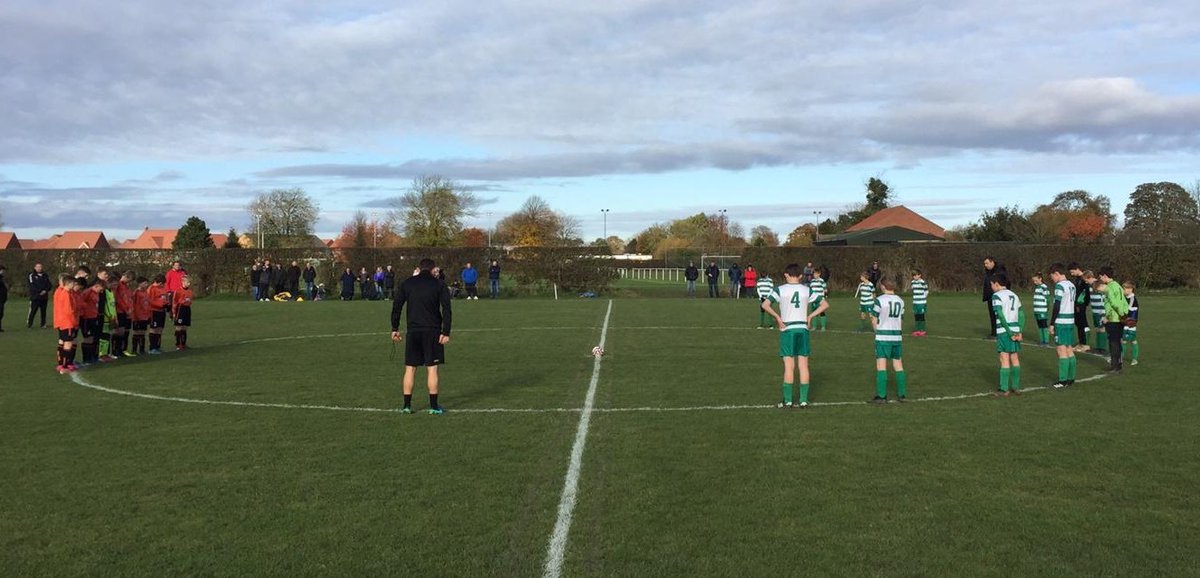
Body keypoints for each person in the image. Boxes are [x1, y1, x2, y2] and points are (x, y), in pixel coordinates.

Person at [762, 263, 829, 408]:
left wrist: (778, 318)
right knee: (804, 365)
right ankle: (803, 400)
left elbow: (765, 305)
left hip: (788, 329)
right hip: (802, 328)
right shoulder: (807, 289)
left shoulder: (780, 289)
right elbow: (824, 304)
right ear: (800, 276)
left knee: (789, 366)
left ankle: (788, 401)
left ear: (786, 275)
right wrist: (810, 316)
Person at [391, 258, 453, 415]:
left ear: (419, 268)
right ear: (433, 270)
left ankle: (406, 406)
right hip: (432, 331)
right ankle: (433, 407)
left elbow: (397, 306)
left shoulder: (408, 283)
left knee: (410, 369)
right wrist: (446, 332)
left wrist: (395, 328)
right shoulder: (439, 284)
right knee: (432, 369)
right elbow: (446, 309)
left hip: (413, 331)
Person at [870, 279, 907, 404]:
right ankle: (902, 395)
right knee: (898, 365)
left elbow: (874, 320)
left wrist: (876, 331)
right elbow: (901, 321)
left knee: (881, 366)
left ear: (883, 286)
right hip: (897, 337)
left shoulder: (879, 300)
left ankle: (882, 396)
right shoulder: (901, 301)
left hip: (883, 337)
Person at [990, 273, 1024, 397]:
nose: (991, 287)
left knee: (1004, 358)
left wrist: (1009, 332)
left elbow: (1000, 314)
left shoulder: (996, 296)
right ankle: (1016, 387)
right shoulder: (1014, 294)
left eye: (992, 285)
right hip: (1015, 329)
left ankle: (1004, 389)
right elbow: (1021, 314)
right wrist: (1019, 331)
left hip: (1005, 331)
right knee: (1014, 358)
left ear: (996, 284)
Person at [1049, 264, 1078, 388]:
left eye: (1052, 277)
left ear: (1057, 273)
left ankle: (1062, 380)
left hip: (1061, 321)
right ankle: (1071, 378)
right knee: (1069, 348)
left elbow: (1057, 305)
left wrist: (1051, 323)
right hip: (1070, 320)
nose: (1052, 280)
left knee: (1061, 350)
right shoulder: (1072, 285)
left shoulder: (1060, 286)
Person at [1098, 267, 1129, 372]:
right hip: (1119, 318)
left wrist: (1119, 315)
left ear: (1105, 276)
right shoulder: (1118, 286)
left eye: (1101, 277)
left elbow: (1114, 303)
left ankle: (1115, 366)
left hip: (1114, 319)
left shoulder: (1110, 287)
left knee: (1114, 343)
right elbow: (1123, 301)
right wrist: (1124, 313)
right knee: (1117, 342)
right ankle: (1118, 364)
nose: (1100, 279)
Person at [53, 274, 80, 373]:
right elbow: (69, 310)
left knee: (64, 342)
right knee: (68, 343)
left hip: (63, 321)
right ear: (68, 283)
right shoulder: (66, 294)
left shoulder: (63, 292)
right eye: (73, 283)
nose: (74, 285)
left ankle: (62, 364)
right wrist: (74, 322)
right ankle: (64, 366)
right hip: (67, 322)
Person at [77, 277, 102, 365]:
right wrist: (86, 307)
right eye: (100, 287)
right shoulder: (87, 292)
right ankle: (86, 359)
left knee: (92, 338)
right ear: (96, 286)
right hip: (86, 318)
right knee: (87, 338)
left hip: (93, 317)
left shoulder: (96, 293)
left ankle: (91, 357)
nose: (101, 290)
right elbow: (80, 301)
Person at [1083, 271, 1107, 355]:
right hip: (1095, 311)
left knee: (1102, 329)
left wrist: (1105, 312)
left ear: (1090, 277)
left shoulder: (1099, 284)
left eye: (1086, 280)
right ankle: (1098, 347)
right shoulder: (1090, 286)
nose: (1085, 282)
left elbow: (1105, 297)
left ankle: (1103, 348)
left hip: (1101, 311)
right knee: (1097, 329)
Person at [1068, 263, 1089, 351]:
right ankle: (1081, 343)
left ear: (1077, 269)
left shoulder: (1084, 278)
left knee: (1082, 324)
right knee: (1078, 324)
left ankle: (1084, 344)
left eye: (1072, 272)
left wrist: (1083, 304)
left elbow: (1086, 293)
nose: (1071, 274)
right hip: (1076, 304)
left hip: (1081, 305)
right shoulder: (1077, 279)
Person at [981, 257, 1004, 338]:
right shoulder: (988, 272)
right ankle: (994, 333)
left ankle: (1001, 333)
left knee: (999, 315)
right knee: (992, 315)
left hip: (999, 296)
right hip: (990, 297)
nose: (985, 265)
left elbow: (1005, 282)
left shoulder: (1000, 270)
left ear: (992, 262)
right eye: (984, 263)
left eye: (987, 263)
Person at [114, 271, 135, 357]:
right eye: (129, 280)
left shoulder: (126, 287)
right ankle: (116, 350)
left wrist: (130, 309)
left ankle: (123, 350)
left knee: (126, 331)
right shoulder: (118, 285)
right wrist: (126, 309)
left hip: (127, 312)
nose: (129, 282)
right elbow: (118, 299)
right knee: (119, 331)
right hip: (120, 311)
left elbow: (129, 299)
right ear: (126, 276)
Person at [147, 274, 168, 354]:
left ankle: (158, 347)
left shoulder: (163, 288)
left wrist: (167, 304)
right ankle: (152, 348)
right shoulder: (151, 289)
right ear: (159, 282)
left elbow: (164, 298)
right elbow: (150, 301)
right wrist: (160, 304)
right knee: (154, 329)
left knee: (160, 329)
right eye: (162, 283)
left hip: (162, 311)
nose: (163, 285)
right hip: (154, 311)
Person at [173, 276, 194, 350]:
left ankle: (184, 344)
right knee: (179, 327)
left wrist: (189, 302)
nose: (189, 284)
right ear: (183, 282)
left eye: (189, 282)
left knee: (185, 327)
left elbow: (191, 300)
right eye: (187, 282)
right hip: (180, 309)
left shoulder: (190, 291)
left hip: (187, 309)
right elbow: (174, 301)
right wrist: (174, 312)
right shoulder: (178, 291)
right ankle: (178, 344)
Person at [1121, 281, 1140, 366]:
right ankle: (1121, 357)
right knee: (1124, 340)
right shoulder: (1125, 297)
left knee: (1132, 340)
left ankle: (1135, 359)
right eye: (1124, 289)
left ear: (1131, 289)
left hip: (1131, 322)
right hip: (1125, 322)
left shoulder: (1132, 299)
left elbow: (1129, 311)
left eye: (1127, 289)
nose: (1125, 290)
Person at [27, 263, 51, 328]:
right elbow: (32, 286)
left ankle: (43, 324)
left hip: (44, 297)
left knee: (43, 311)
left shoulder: (45, 275)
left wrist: (45, 291)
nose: (39, 268)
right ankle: (29, 323)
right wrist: (39, 291)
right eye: (38, 267)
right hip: (35, 297)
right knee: (33, 311)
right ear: (35, 268)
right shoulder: (31, 275)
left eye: (40, 267)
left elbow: (49, 285)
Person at [1031, 273, 1050, 346]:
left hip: (1042, 310)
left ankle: (1046, 341)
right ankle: (1042, 340)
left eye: (1036, 280)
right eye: (1033, 281)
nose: (1034, 282)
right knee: (1039, 326)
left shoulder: (1044, 287)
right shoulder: (1037, 287)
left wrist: (1047, 307)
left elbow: (1047, 298)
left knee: (1044, 325)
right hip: (1037, 310)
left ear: (1040, 279)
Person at [809, 267, 828, 331]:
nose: (814, 275)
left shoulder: (821, 281)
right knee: (814, 313)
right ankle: (814, 327)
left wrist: (824, 296)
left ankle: (823, 327)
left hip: (820, 299)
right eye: (814, 274)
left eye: (816, 274)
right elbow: (810, 290)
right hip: (813, 299)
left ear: (819, 274)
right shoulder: (812, 281)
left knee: (822, 312)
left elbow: (825, 289)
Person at [910, 270, 929, 336]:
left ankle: (922, 330)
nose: (914, 277)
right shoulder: (912, 282)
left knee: (921, 316)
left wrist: (923, 298)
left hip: (922, 302)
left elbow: (926, 291)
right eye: (913, 276)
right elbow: (913, 290)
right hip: (915, 302)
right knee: (916, 316)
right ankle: (917, 330)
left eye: (915, 275)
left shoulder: (923, 282)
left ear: (919, 275)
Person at [0, 265, 7, 332]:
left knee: (1, 313)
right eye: (2, 270)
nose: (3, 272)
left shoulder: (1, 278)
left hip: (2, 299)